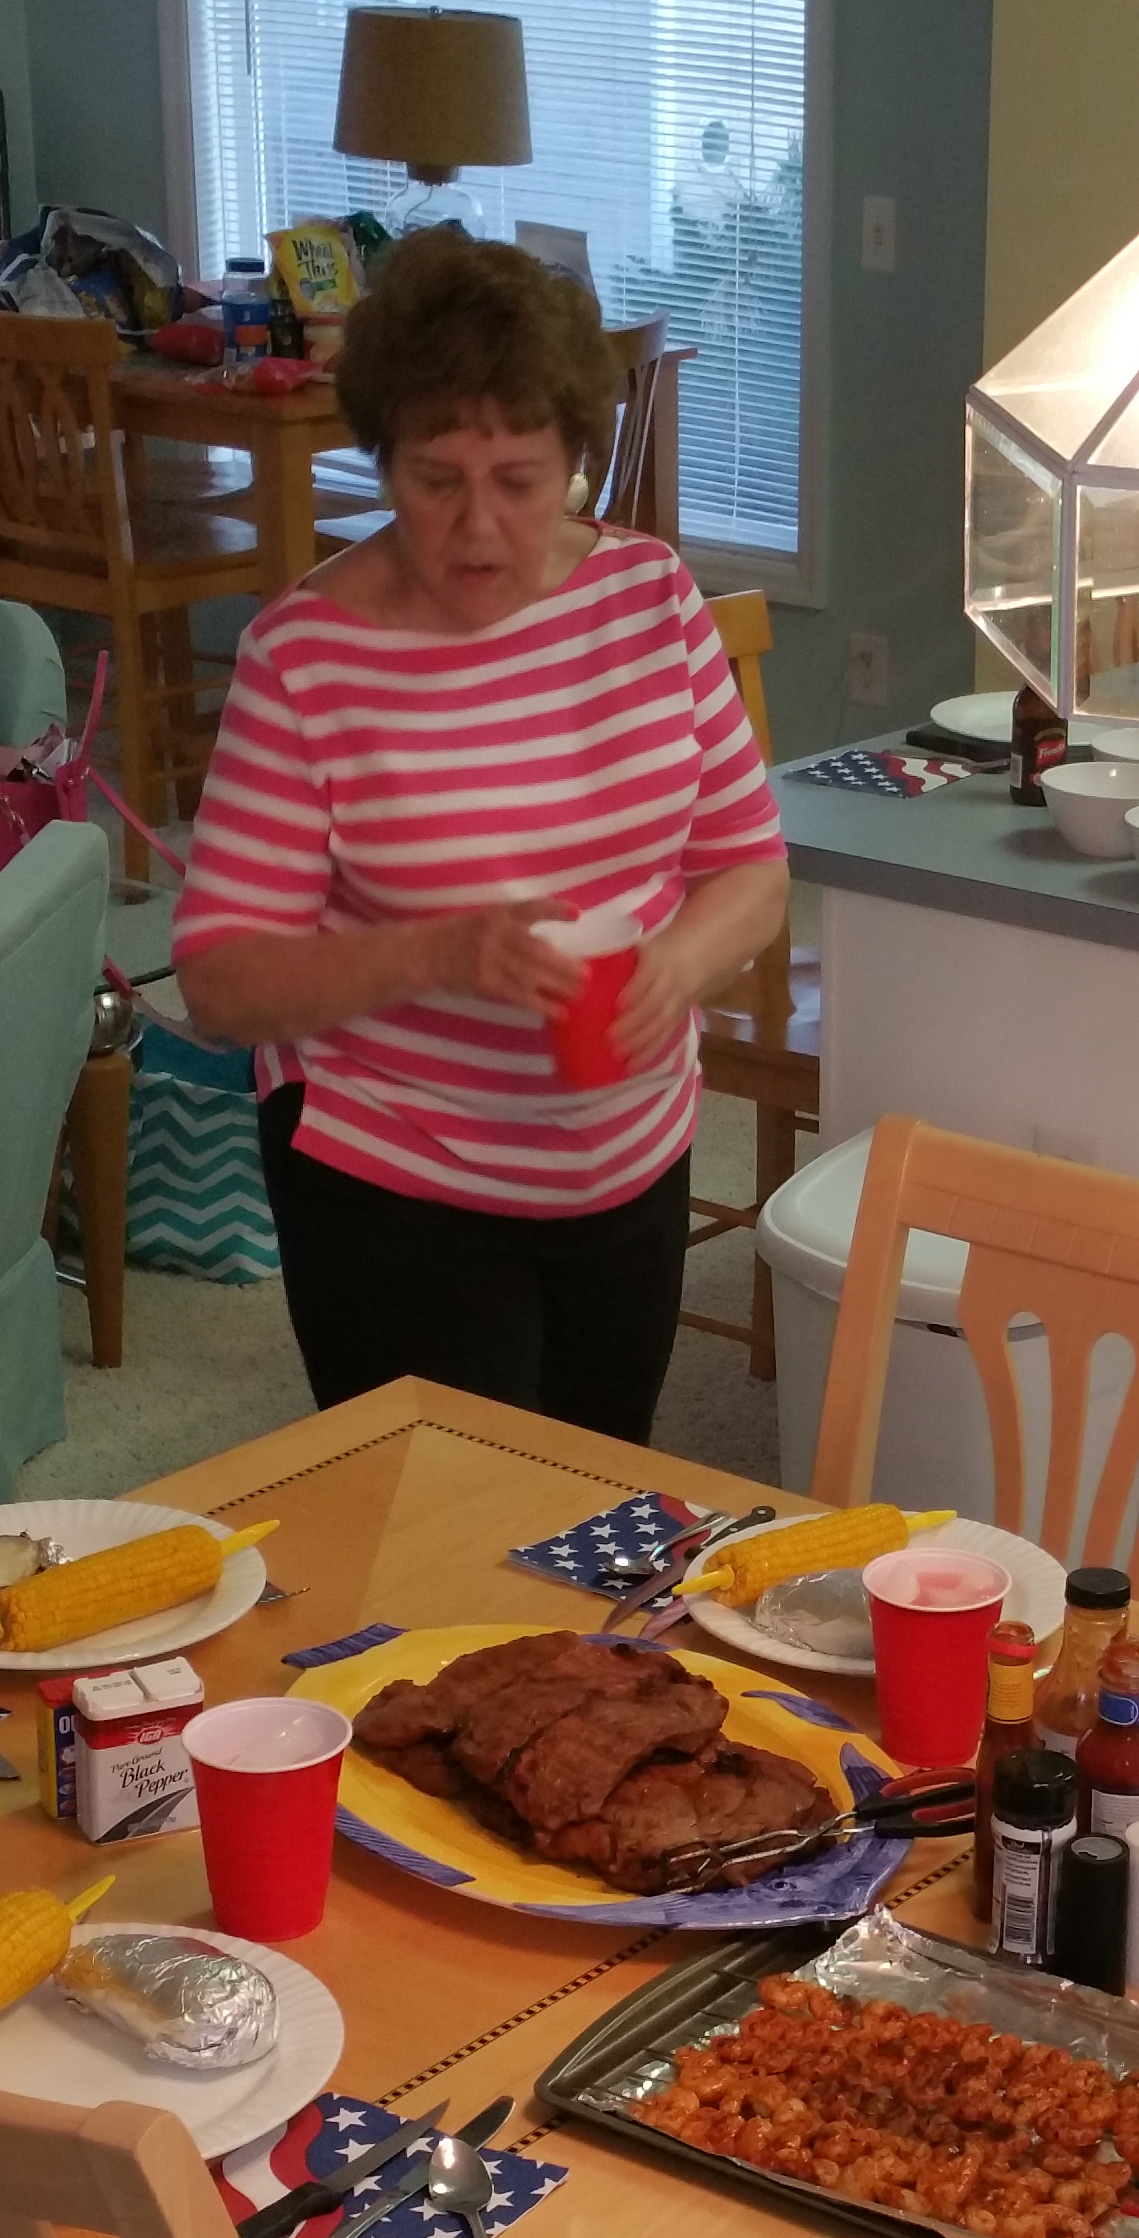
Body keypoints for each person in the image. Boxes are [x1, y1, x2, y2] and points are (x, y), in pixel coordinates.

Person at [174, 233, 788, 1440]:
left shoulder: (652, 599)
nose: (477, 527)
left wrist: (675, 966)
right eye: (434, 479)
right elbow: (219, 982)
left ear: (574, 461)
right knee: (447, 1533)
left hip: (630, 1155)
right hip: (392, 1173)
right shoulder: (304, 657)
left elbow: (750, 870)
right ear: (381, 459)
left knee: (591, 1512)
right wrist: (436, 952)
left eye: (517, 479)